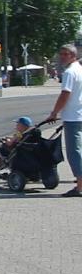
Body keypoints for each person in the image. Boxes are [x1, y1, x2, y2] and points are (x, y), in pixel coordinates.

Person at [45, 43, 82, 197]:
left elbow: (65, 94)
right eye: (61, 54)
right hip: (79, 114)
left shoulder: (69, 72)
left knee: (74, 152)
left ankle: (80, 186)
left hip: (73, 117)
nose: (62, 57)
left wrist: (54, 113)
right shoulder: (80, 69)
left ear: (73, 56)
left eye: (65, 54)